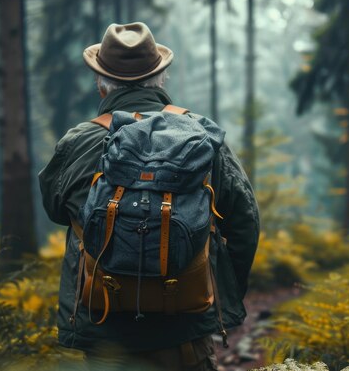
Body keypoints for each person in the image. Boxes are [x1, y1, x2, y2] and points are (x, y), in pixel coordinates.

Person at [38, 22, 259, 371]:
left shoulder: (78, 143)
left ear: (101, 83)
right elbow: (245, 222)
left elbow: (54, 209)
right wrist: (218, 292)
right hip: (184, 331)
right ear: (161, 78)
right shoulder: (201, 136)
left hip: (102, 332)